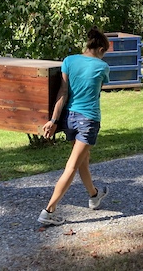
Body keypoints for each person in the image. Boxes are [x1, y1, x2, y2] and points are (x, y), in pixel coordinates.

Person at [38, 27, 111, 225]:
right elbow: (97, 92)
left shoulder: (69, 61)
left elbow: (63, 92)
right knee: (72, 166)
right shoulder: (102, 67)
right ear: (101, 49)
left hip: (69, 118)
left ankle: (94, 195)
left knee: (82, 161)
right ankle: (49, 211)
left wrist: (53, 120)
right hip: (88, 120)